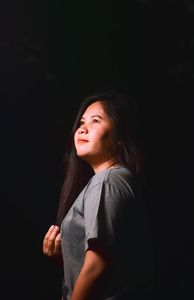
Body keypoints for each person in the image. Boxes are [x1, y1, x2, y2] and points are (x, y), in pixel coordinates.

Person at [43, 90, 155, 300]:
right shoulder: (116, 180)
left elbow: (97, 267)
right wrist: (66, 256)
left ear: (119, 137)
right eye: (82, 122)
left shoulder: (106, 181)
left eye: (95, 121)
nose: (82, 128)